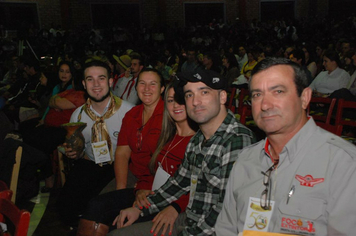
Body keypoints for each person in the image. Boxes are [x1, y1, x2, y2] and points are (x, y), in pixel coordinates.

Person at [215, 57, 356, 235]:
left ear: (305, 98)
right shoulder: (245, 160)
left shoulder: (343, 163)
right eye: (257, 95)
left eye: (278, 91)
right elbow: (226, 229)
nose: (265, 105)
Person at [111, 70, 255, 236]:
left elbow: (227, 209)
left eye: (204, 92)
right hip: (189, 220)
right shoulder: (197, 140)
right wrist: (140, 209)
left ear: (222, 97)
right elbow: (178, 184)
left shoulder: (237, 140)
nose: (195, 101)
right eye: (189, 95)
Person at [76, 68, 166, 235]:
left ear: (162, 89)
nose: (147, 89)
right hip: (134, 175)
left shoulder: (170, 116)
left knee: (103, 211)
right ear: (136, 87)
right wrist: (121, 189)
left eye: (153, 84)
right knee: (94, 207)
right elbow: (122, 153)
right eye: (142, 83)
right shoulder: (132, 114)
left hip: (156, 181)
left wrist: (144, 187)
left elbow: (170, 163)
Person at [56, 60, 134, 228]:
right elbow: (79, 150)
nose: (96, 84)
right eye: (90, 79)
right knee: (65, 206)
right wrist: (73, 153)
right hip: (91, 165)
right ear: (84, 84)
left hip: (121, 167)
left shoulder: (129, 112)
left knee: (100, 207)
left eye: (101, 78)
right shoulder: (78, 116)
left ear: (111, 81)